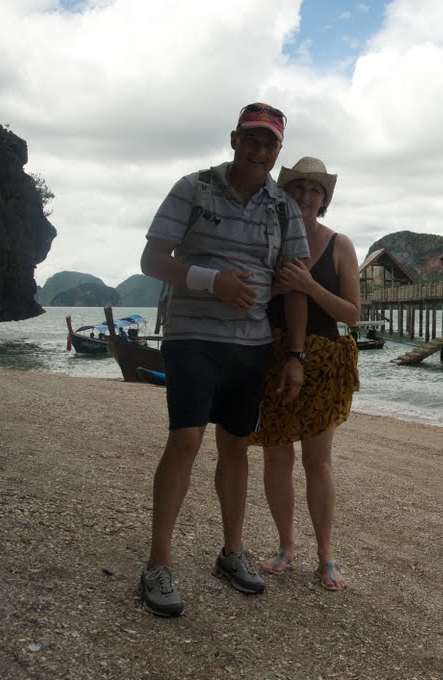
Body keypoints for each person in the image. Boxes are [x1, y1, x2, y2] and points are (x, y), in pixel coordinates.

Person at [137, 103, 310, 617]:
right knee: (186, 438)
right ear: (234, 139)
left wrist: (296, 355)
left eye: (270, 144)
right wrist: (212, 281)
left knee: (236, 445)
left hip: (251, 344)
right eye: (252, 140)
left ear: (279, 151)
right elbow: (152, 259)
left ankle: (232, 551)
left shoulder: (283, 208)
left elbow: (296, 285)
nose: (259, 151)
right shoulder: (193, 188)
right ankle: (158, 562)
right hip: (191, 334)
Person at [249, 157, 360, 591]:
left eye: (315, 191)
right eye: (298, 188)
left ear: (325, 199)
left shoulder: (339, 245)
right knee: (276, 457)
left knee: (318, 462)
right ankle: (285, 547)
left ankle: (326, 555)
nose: (306, 197)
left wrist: (309, 286)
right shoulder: (269, 238)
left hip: (326, 360)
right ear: (285, 192)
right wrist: (275, 287)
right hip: (272, 355)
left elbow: (352, 313)